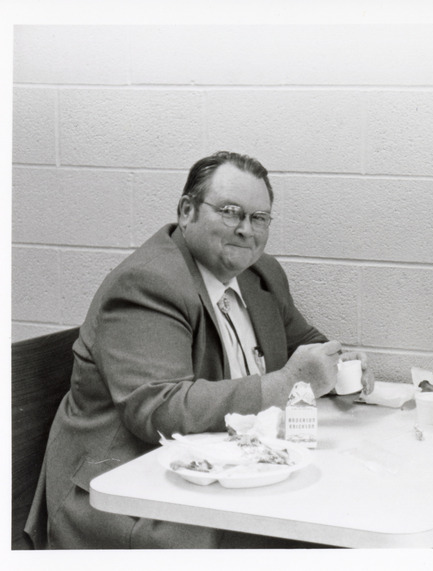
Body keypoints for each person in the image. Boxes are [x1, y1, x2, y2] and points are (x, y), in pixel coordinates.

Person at [25, 151, 374, 549]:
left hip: (230, 474)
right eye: (230, 212)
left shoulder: (261, 274)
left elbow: (305, 345)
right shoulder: (146, 283)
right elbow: (159, 408)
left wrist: (340, 363)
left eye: (259, 218)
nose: (246, 229)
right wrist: (291, 382)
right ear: (187, 211)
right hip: (135, 496)